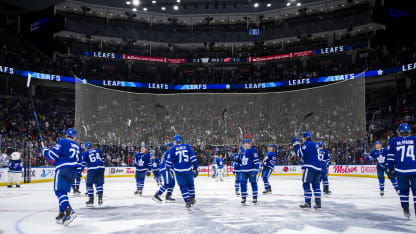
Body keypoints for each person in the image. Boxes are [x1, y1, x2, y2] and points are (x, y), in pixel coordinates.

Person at [41, 128, 80, 226]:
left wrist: (44, 151)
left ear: (66, 135)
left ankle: (69, 210)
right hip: (73, 171)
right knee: (64, 192)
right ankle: (61, 214)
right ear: (74, 137)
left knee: (59, 191)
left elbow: (52, 156)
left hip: (63, 169)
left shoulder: (63, 141)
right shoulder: (78, 146)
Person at [386, 123, 416, 219]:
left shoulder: (393, 141)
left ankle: (406, 210)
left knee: (403, 191)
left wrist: (390, 168)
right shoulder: (415, 139)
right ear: (409, 131)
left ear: (399, 132)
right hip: (414, 169)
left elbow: (390, 157)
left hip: (401, 171)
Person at [166, 135, 198, 209]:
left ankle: (187, 201)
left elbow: (168, 162)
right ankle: (192, 197)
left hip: (179, 171)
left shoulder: (173, 149)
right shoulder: (187, 146)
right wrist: (195, 168)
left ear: (174, 141)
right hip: (188, 169)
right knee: (190, 184)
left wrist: (168, 168)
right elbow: (193, 158)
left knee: (183, 186)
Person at [292, 132, 322, 209]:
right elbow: (309, 155)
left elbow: (299, 153)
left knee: (306, 184)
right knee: (316, 185)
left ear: (305, 138)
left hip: (310, 167)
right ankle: (318, 203)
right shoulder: (314, 144)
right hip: (318, 167)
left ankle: (307, 202)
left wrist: (295, 144)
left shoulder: (307, 144)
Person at [81, 142, 105, 207]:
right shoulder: (97, 150)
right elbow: (102, 160)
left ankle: (91, 200)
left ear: (85, 148)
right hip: (101, 168)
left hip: (92, 169)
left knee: (89, 184)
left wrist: (80, 171)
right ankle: (100, 198)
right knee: (99, 184)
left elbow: (83, 163)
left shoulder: (85, 153)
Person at [238, 139, 260, 204]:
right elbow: (240, 161)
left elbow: (256, 160)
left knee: (253, 183)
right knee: (242, 184)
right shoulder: (242, 151)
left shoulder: (253, 150)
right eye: (245, 143)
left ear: (249, 144)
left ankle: (255, 198)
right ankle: (243, 198)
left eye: (247, 143)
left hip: (251, 170)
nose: (246, 144)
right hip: (243, 170)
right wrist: (235, 157)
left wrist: (256, 169)